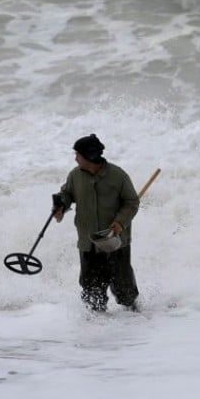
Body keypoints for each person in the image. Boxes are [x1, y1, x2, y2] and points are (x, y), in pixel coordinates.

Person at [52, 134, 140, 312]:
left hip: (114, 241)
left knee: (125, 289)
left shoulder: (118, 176)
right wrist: (61, 204)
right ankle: (96, 332)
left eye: (78, 154)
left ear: (90, 156)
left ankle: (134, 322)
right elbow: (67, 193)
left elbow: (132, 202)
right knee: (91, 291)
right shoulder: (75, 176)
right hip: (88, 243)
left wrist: (120, 222)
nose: (75, 158)